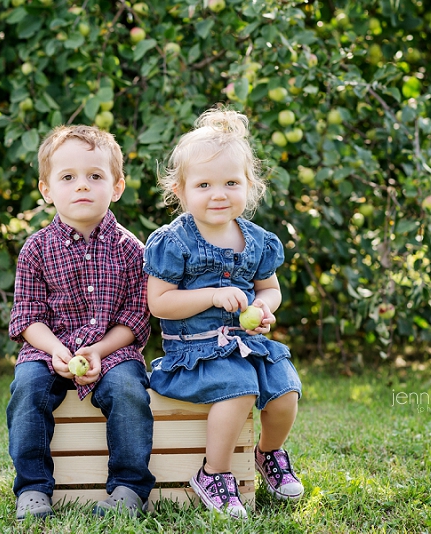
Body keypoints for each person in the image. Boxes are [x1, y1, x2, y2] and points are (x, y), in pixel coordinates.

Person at [143, 108, 304, 519]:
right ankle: (213, 473)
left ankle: (268, 452)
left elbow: (270, 289)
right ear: (180, 190)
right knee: (239, 387)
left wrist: (264, 308)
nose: (219, 193)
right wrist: (213, 295)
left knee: (285, 387)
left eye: (231, 182)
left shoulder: (257, 241)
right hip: (194, 354)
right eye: (204, 184)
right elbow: (159, 303)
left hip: (247, 345)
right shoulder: (173, 241)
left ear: (250, 187)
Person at [6, 124, 155, 520]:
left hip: (113, 348)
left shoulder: (132, 250)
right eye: (68, 177)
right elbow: (28, 316)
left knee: (128, 391)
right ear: (47, 190)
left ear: (117, 186)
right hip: (48, 349)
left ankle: (128, 488)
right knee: (27, 388)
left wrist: (101, 350)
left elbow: (135, 317)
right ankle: (33, 489)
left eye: (95, 176)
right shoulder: (36, 249)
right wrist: (55, 348)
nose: (82, 186)